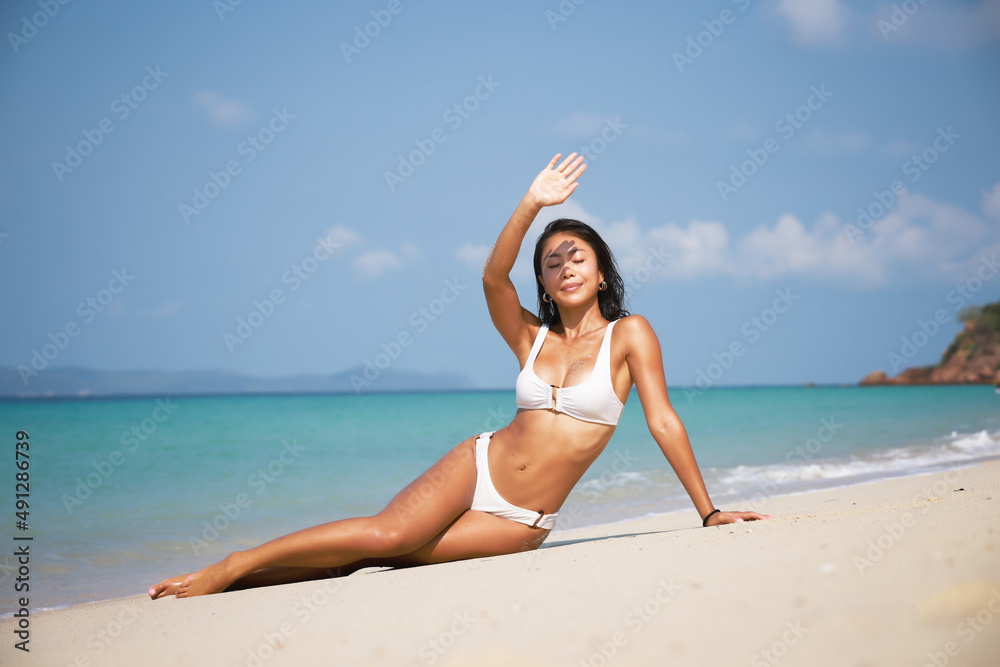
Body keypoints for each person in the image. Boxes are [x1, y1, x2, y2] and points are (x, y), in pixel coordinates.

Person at [149, 152, 770, 599]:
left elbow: (662, 419)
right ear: (546, 285)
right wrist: (533, 203)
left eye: (576, 256)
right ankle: (232, 567)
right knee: (384, 533)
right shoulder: (531, 336)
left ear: (602, 271)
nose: (564, 268)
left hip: (517, 520)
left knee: (380, 557)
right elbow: (491, 279)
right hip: (478, 461)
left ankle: (234, 580)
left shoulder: (630, 335)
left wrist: (708, 512)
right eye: (552, 264)